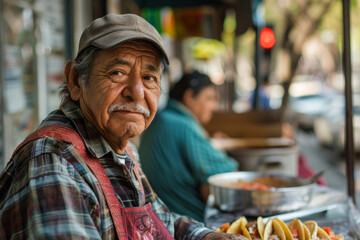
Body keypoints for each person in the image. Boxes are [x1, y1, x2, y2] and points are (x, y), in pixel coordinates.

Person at [0, 14, 247, 240]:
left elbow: (159, 221)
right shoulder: (53, 162)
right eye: (117, 73)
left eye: (149, 78)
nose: (137, 93)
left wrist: (206, 236)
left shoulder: (120, 148)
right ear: (75, 80)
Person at [138, 71, 239, 222]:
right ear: (190, 96)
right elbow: (226, 176)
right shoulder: (184, 126)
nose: (214, 106)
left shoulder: (160, 119)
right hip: (189, 222)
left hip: (160, 218)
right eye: (210, 98)